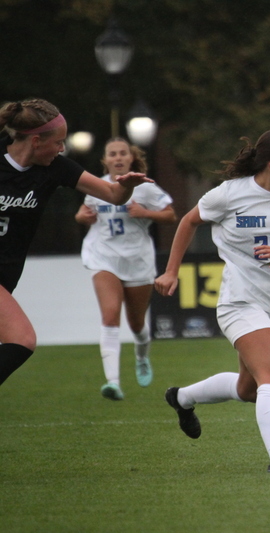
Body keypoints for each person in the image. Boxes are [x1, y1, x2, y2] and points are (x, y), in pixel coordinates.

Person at [155, 129, 270, 473]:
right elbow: (188, 221)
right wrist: (171, 272)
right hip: (238, 302)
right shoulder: (230, 194)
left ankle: (181, 398)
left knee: (249, 389)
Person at [0, 98, 151, 387]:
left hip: (7, 276)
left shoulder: (56, 168)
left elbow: (113, 194)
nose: (62, 148)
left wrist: (127, 186)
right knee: (22, 339)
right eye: (58, 142)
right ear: (34, 141)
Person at [75, 137, 177, 401]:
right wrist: (82, 217)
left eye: (122, 153)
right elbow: (82, 213)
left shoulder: (144, 187)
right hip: (103, 257)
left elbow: (170, 215)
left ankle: (142, 357)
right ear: (105, 160)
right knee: (110, 316)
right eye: (112, 154)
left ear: (131, 158)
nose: (118, 158)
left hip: (137, 260)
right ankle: (113, 382)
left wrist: (146, 213)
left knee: (136, 323)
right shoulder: (96, 185)